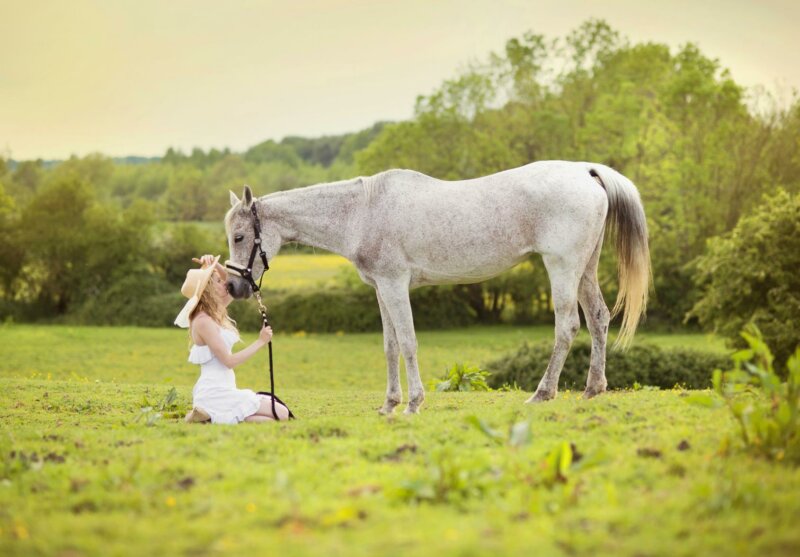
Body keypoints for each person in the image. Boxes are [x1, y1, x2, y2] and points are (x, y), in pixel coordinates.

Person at [174, 254, 290, 424]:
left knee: (271, 419)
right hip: (215, 392)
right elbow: (229, 361)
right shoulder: (204, 321)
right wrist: (260, 341)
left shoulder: (214, 311)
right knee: (281, 413)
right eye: (218, 282)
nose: (224, 284)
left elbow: (233, 282)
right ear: (208, 289)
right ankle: (209, 415)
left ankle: (211, 417)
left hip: (224, 389)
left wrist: (215, 264)